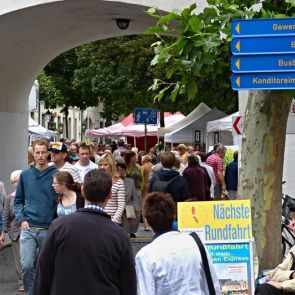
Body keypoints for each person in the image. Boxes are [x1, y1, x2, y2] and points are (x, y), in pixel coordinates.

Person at [33, 169, 137, 295]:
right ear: (109, 194)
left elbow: (44, 269)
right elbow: (128, 280)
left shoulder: (59, 226)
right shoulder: (119, 235)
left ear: (83, 190)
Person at [136, 192, 221, 295]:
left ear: (147, 223)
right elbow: (213, 287)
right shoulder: (196, 243)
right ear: (174, 216)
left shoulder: (145, 256)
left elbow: (146, 291)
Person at [14, 138, 57, 295]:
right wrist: (21, 219)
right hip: (29, 228)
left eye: (43, 152)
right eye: (37, 152)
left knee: (46, 266)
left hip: (48, 228)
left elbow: (61, 200)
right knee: (26, 265)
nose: (40, 156)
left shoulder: (56, 175)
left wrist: (56, 223)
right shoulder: (25, 175)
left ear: (48, 153)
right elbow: (18, 200)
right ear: (33, 153)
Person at [2, 170, 24, 291]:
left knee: (32, 257)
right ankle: (22, 281)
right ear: (12, 183)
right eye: (15, 181)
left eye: (19, 180)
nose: (17, 183)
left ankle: (35, 279)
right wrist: (4, 232)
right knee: (19, 258)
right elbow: (6, 216)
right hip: (16, 232)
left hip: (31, 231)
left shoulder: (30, 195)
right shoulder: (10, 198)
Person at [99, 154, 126, 224]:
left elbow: (121, 204)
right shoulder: (97, 180)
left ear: (112, 166)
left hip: (113, 221)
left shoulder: (119, 182)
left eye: (105, 165)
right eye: (100, 165)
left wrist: (114, 220)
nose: (102, 167)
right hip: (98, 219)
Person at [117, 162, 141, 237]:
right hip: (116, 205)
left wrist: (137, 208)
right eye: (118, 170)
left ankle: (131, 232)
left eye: (122, 170)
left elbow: (134, 196)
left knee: (132, 220)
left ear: (125, 170)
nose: (120, 172)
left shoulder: (130, 181)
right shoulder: (113, 181)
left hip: (128, 205)